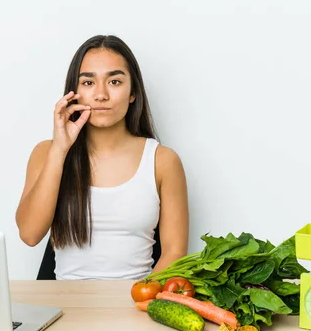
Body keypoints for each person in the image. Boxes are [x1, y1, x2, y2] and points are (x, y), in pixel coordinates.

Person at [15, 35, 189, 280]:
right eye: (88, 83)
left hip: (136, 306)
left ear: (133, 93)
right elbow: (29, 234)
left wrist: (134, 302)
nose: (101, 95)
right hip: (64, 308)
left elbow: (174, 252)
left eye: (115, 81)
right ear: (73, 93)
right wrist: (60, 149)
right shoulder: (46, 153)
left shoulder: (163, 161)